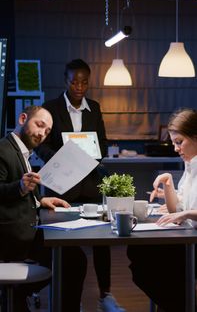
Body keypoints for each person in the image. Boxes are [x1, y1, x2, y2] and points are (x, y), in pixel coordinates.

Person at [36, 58, 126, 312]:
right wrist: (62, 157)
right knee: (64, 247)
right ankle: (64, 299)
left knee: (101, 241)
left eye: (84, 81)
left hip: (90, 186)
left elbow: (103, 144)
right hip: (61, 188)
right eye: (74, 81)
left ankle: (105, 296)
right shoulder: (50, 108)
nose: (78, 86)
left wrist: (90, 156)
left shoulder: (94, 108)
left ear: (89, 82)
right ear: (65, 80)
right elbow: (41, 145)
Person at [0, 105, 87, 312]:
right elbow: (12, 187)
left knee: (73, 258)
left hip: (25, 232)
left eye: (47, 131)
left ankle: (19, 295)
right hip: (11, 239)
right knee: (73, 260)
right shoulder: (3, 150)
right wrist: (20, 188)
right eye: (39, 125)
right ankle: (18, 294)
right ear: (23, 118)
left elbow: (21, 187)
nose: (42, 134)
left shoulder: (21, 152)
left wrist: (41, 200)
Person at [127, 108, 197, 312]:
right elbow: (177, 208)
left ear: (195, 137)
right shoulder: (190, 165)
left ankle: (179, 304)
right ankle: (178, 304)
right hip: (188, 237)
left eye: (179, 142)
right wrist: (168, 183)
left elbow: (182, 212)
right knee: (138, 252)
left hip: (193, 242)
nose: (175, 148)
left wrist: (185, 214)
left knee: (147, 262)